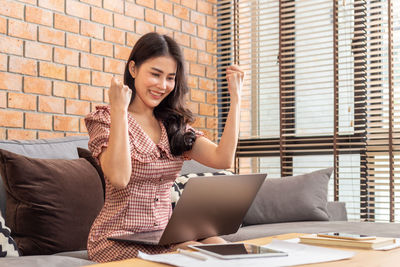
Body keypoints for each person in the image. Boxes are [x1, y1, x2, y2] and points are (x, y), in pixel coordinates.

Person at [84, 32, 244, 263]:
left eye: (170, 78)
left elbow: (223, 159)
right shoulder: (105, 118)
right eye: (155, 74)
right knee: (198, 255)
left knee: (231, 250)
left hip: (163, 235)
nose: (163, 85)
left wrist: (236, 99)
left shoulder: (172, 125)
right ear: (133, 69)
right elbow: (119, 177)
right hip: (117, 238)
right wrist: (119, 110)